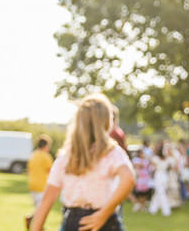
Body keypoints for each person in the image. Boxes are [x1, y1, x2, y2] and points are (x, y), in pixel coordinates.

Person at [31, 93, 135, 231]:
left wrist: (36, 228)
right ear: (107, 121)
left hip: (74, 222)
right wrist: (104, 214)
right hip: (105, 222)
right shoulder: (111, 152)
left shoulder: (67, 156)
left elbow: (47, 200)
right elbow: (128, 178)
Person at [28, 135, 55, 210]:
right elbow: (51, 173)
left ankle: (31, 220)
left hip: (32, 185)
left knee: (37, 208)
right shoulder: (46, 156)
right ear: (46, 146)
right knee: (40, 210)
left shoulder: (33, 155)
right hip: (41, 187)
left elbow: (29, 170)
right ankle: (31, 220)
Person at [148, 143, 172, 216]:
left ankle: (166, 210)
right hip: (164, 175)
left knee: (161, 193)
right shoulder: (167, 159)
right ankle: (152, 209)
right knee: (158, 193)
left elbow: (152, 166)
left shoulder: (155, 158)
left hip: (159, 175)